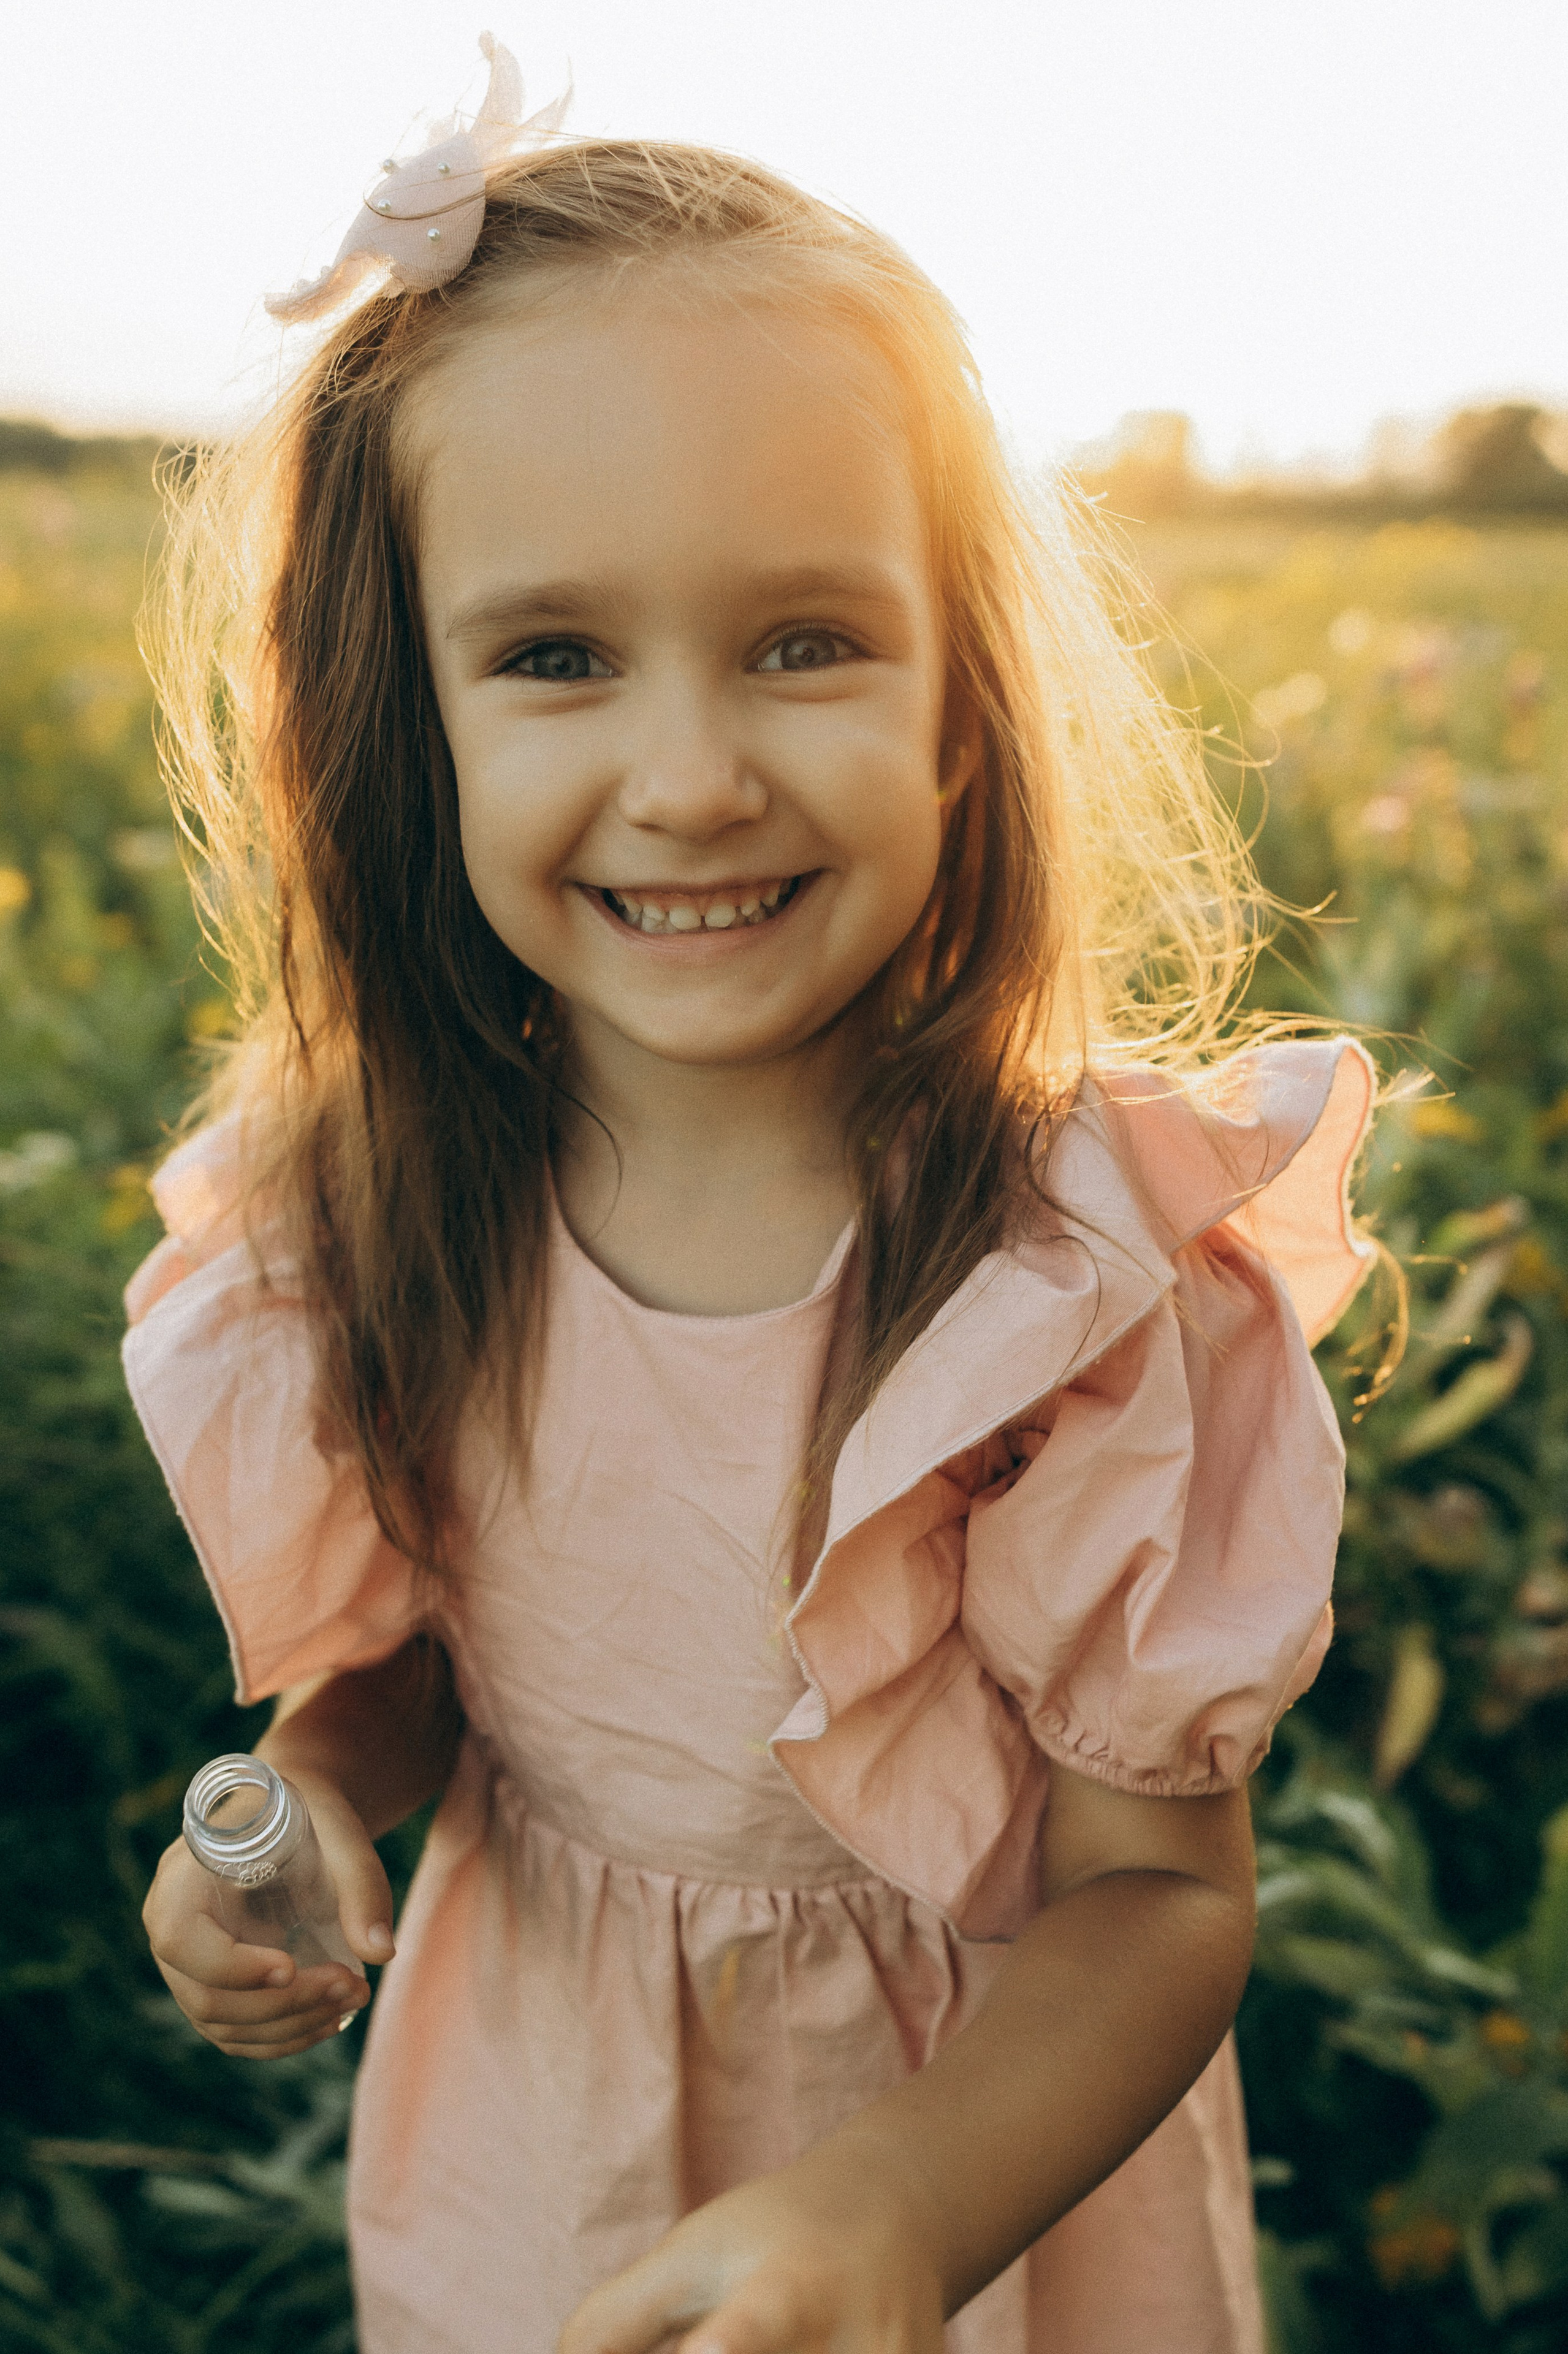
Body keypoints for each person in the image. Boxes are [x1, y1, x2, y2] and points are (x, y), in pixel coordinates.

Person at [129, 39, 1377, 2354]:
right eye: (557, 659)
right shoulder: (376, 1216)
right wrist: (307, 1794)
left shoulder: (1078, 1278)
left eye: (804, 642)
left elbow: (1161, 1894)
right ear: (411, 722)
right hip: (545, 2152)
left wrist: (898, 2213)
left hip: (976, 2184)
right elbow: (412, 1676)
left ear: (957, 711)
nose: (689, 777)